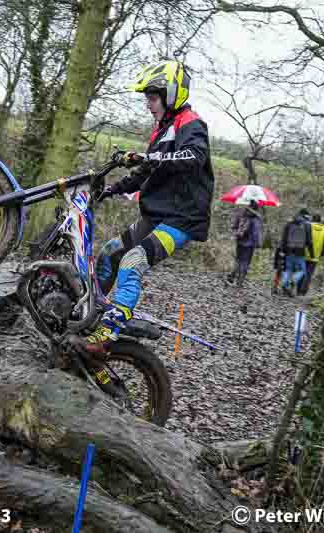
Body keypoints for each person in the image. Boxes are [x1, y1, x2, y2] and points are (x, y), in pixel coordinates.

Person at [83, 60, 214, 353]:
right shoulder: (161, 130)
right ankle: (89, 313)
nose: (148, 105)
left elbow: (193, 157)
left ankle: (108, 332)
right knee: (110, 253)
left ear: (171, 95)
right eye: (147, 99)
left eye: (153, 98)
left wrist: (150, 159)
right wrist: (111, 190)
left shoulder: (191, 123)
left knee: (132, 262)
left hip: (182, 219)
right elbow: (145, 173)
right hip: (156, 215)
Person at [227, 200, 263, 287]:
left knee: (238, 259)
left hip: (240, 240)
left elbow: (234, 226)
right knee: (245, 262)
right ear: (257, 208)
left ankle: (232, 276)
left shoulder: (242, 213)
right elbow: (256, 233)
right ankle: (240, 282)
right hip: (249, 244)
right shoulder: (255, 218)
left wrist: (236, 234)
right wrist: (258, 244)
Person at [280, 208, 314, 297]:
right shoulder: (307, 225)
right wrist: (312, 253)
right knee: (302, 270)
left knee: (288, 269)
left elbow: (284, 238)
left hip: (288, 250)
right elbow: (309, 241)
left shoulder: (290, 223)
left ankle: (285, 284)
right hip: (300, 251)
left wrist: (282, 250)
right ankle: (293, 280)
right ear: (306, 216)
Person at [298, 213, 324, 296]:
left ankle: (298, 290)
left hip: (303, 254)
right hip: (315, 256)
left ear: (312, 219)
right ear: (320, 221)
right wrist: (322, 253)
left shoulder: (307, 227)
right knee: (309, 274)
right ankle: (303, 291)